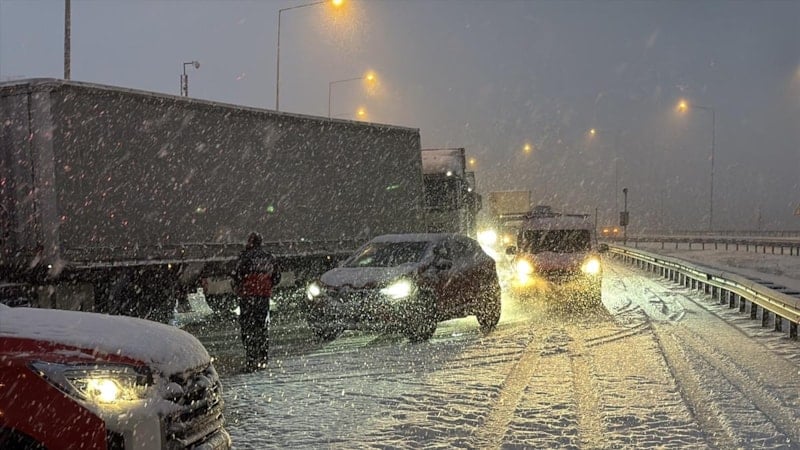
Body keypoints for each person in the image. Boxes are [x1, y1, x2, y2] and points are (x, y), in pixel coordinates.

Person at [232, 232, 281, 371]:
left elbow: (237, 275)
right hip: (263, 296)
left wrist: (242, 287)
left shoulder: (245, 257)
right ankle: (263, 357)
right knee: (262, 327)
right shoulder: (269, 257)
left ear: (250, 242)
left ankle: (251, 359)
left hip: (247, 296)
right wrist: (266, 286)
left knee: (248, 328)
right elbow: (277, 277)